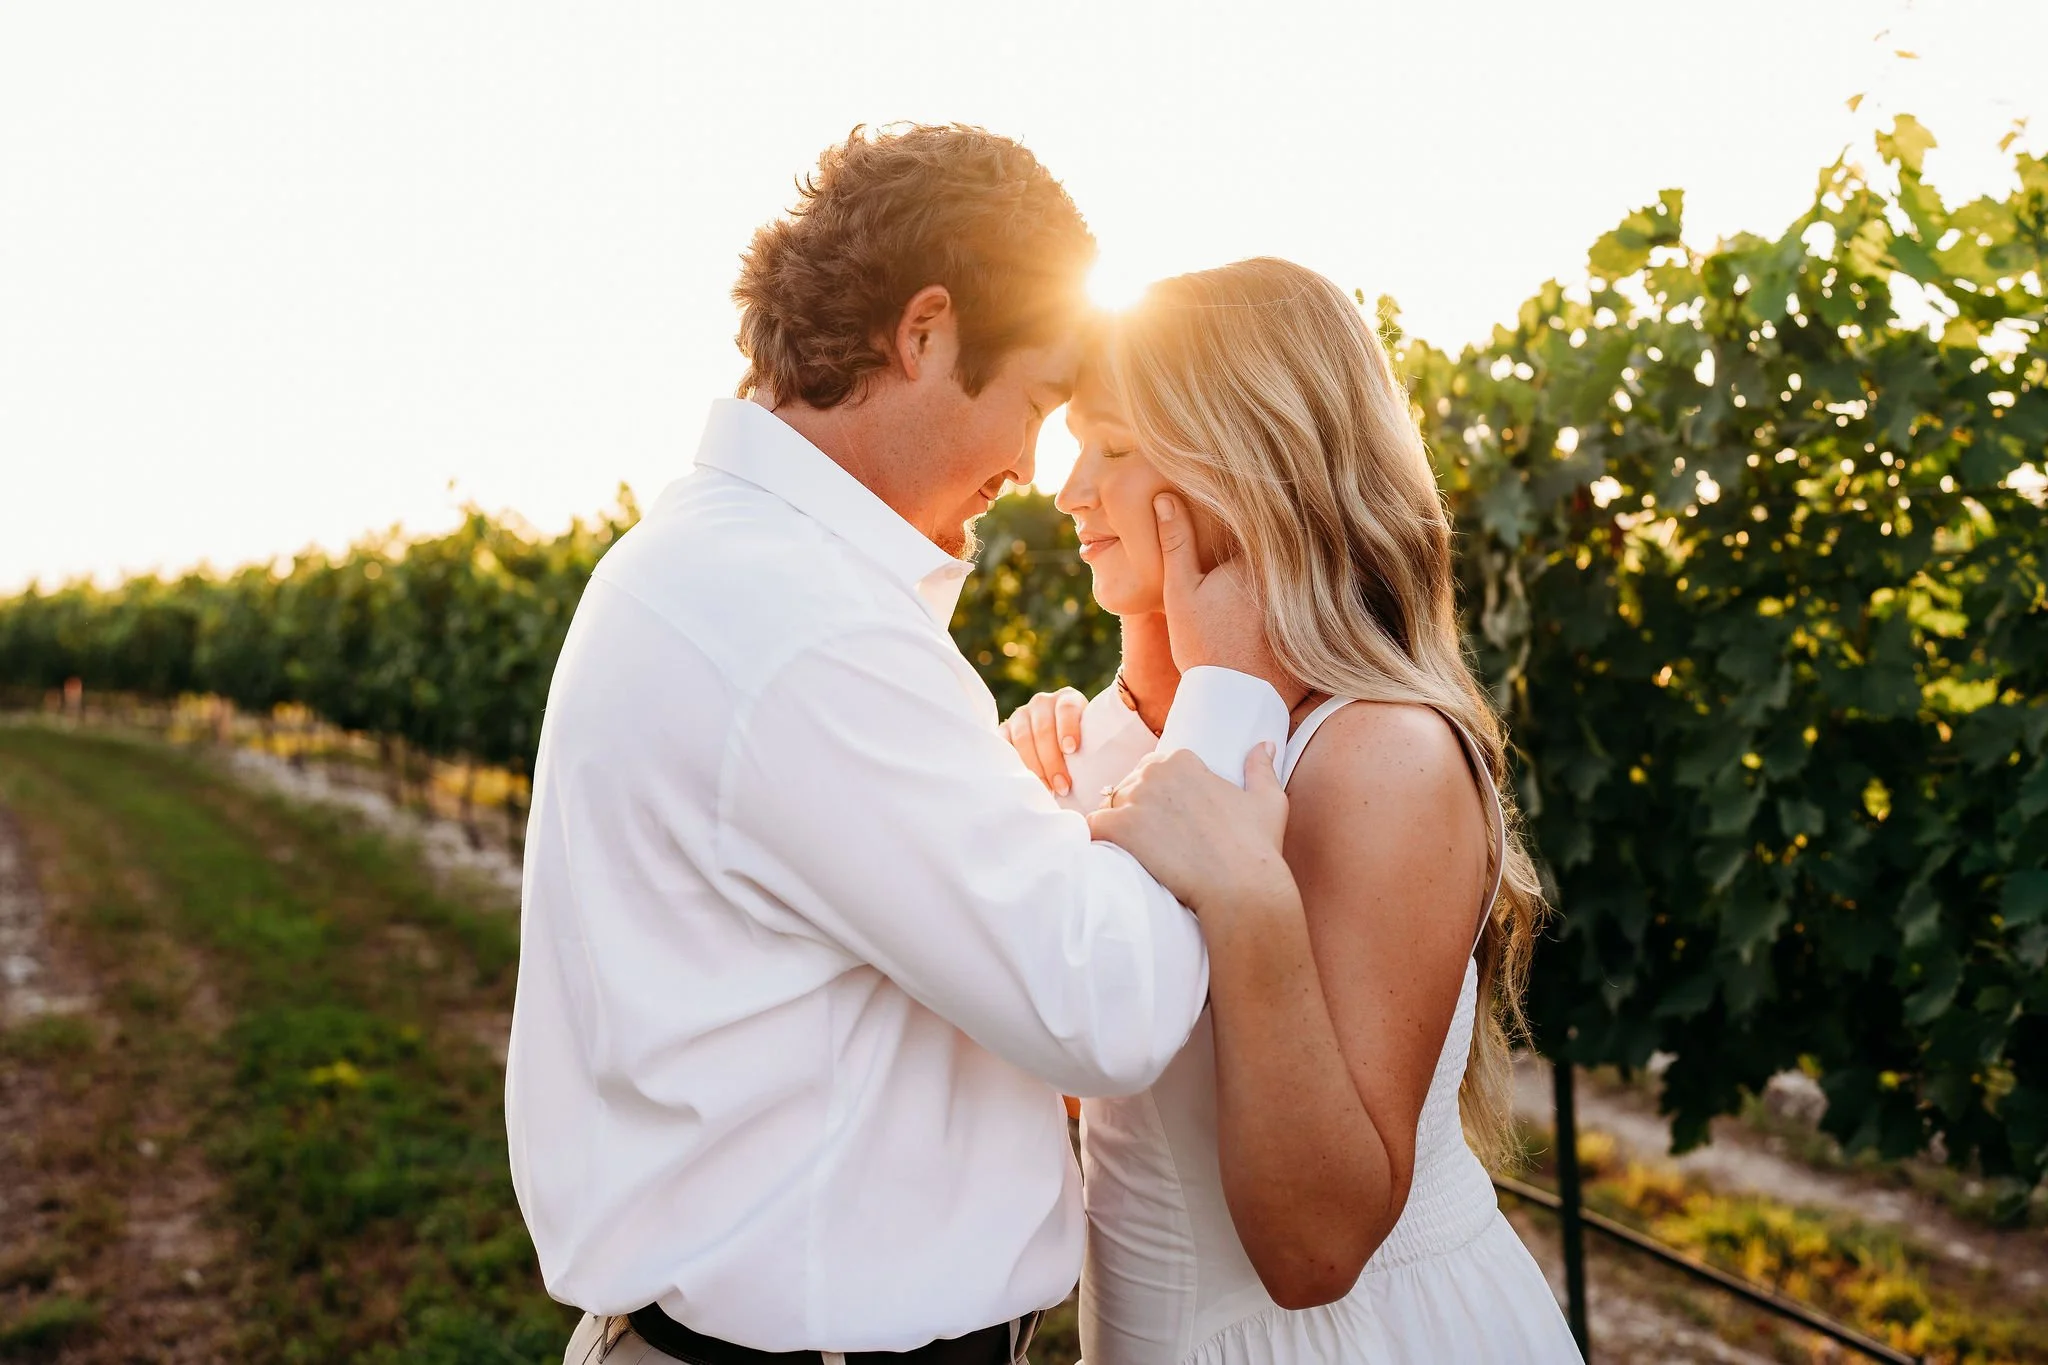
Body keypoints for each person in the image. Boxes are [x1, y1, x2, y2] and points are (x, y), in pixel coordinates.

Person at [503, 126, 1297, 1365]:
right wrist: (1228, 694)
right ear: (923, 333)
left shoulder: (721, 569)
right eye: (1034, 402)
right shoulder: (794, 627)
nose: (1036, 469)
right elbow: (1107, 1006)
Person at [1003, 258, 1583, 1362]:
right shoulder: (1124, 744)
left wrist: (1245, 896)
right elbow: (1106, 1097)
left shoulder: (1383, 757)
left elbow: (1314, 1251)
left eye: (1116, 448)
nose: (1068, 487)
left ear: (1251, 473)